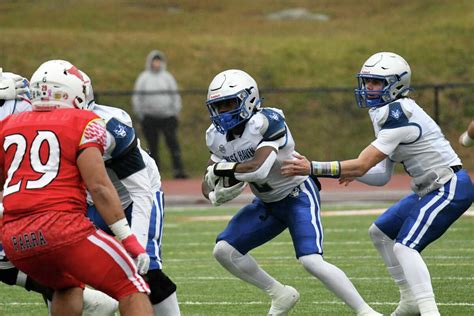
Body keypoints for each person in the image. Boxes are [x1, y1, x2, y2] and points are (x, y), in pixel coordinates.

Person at [281, 52, 474, 316]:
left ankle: (429, 310)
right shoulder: (384, 111)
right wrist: (350, 172)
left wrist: (313, 167)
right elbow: (380, 174)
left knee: (405, 246)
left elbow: (362, 164)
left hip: (449, 185)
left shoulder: (398, 113)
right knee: (380, 233)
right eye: (367, 81)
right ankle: (409, 299)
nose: (368, 88)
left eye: (376, 83)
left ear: (396, 84)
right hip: (428, 188)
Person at [201, 69, 381, 315]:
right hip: (266, 203)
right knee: (224, 251)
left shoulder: (267, 121)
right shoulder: (215, 136)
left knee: (311, 261)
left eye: (229, 104)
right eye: (218, 107)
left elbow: (258, 171)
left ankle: (366, 311)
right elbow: (207, 182)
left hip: (297, 195)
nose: (223, 112)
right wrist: (214, 194)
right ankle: (280, 294)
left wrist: (222, 170)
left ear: (249, 99)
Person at [0, 60, 153, 316]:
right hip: (62, 229)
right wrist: (128, 238)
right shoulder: (83, 121)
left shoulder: (7, 126)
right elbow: (100, 187)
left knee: (65, 286)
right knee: (131, 286)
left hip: (15, 237)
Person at [84, 70, 181, 315]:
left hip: (133, 196)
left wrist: (134, 243)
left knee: (145, 268)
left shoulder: (109, 126)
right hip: (89, 202)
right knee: (64, 274)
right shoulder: (44, 126)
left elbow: (140, 191)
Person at [132, 50, 188, 179]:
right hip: (149, 117)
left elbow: (175, 95)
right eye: (154, 61)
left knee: (173, 143)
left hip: (167, 117)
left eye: (158, 61)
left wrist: (176, 111)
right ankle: (154, 173)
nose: (156, 63)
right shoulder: (144, 78)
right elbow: (137, 97)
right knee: (152, 146)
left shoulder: (167, 77)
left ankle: (178, 169)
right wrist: (140, 113)